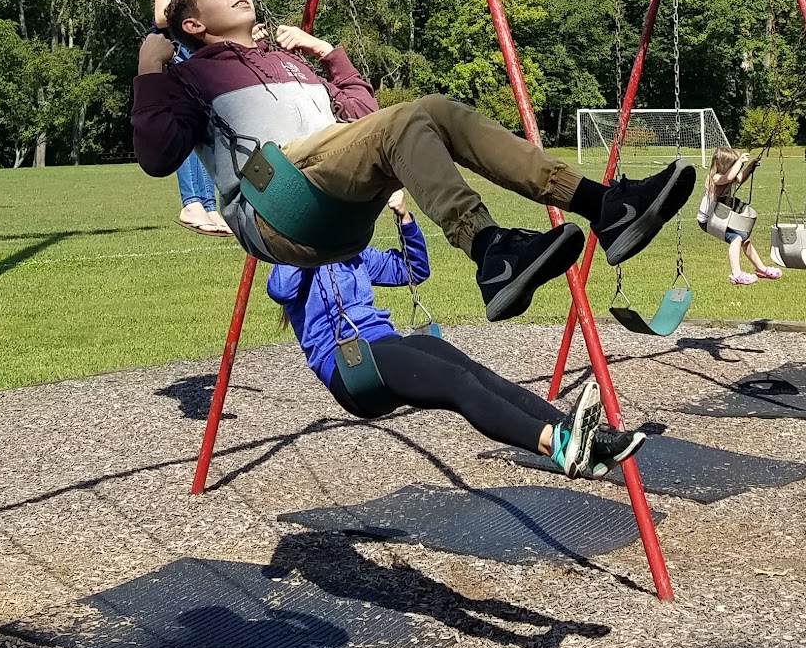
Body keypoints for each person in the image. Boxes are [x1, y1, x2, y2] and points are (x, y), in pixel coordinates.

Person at [131, 0, 695, 322]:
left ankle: (605, 206)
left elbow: (368, 120)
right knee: (407, 120)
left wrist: (328, 54)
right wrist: (150, 72)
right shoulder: (190, 78)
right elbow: (158, 158)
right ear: (193, 25)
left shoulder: (287, 62)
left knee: (432, 113)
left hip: (337, 206)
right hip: (278, 202)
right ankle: (488, 248)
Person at [270, 201, 646, 475]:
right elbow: (279, 287)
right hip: (348, 367)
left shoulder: (356, 257)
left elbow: (413, 270)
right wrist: (307, 246)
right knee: (458, 383)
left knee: (477, 372)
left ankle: (587, 441)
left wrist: (405, 219)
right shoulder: (297, 265)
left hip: (384, 344)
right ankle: (555, 445)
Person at [152, 0, 237, 235]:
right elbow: (161, 15)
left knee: (207, 132)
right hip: (176, 53)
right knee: (188, 128)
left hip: (201, 56)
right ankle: (191, 203)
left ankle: (209, 205)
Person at [696, 148, 782, 286]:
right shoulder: (714, 178)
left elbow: (739, 178)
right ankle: (736, 274)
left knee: (745, 238)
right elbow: (728, 178)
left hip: (721, 217)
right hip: (707, 220)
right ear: (724, 164)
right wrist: (740, 161)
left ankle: (762, 269)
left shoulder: (727, 175)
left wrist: (750, 166)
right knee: (736, 238)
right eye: (733, 163)